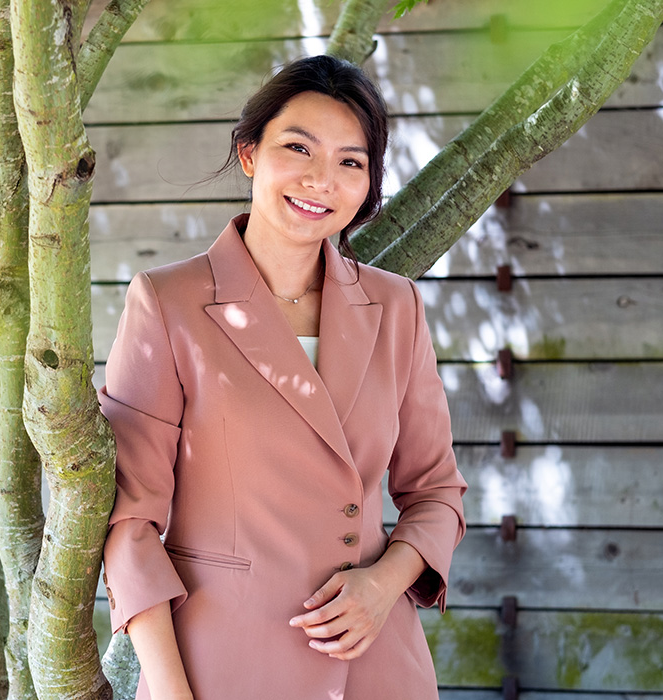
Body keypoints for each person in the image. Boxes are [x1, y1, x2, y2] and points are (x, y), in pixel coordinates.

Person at [99, 55, 468, 700]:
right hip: (224, 665)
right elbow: (129, 525)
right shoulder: (168, 303)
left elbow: (436, 491)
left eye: (351, 162)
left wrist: (382, 587)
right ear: (249, 154)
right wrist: (168, 692)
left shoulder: (397, 305)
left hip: (378, 663)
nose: (321, 180)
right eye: (298, 148)